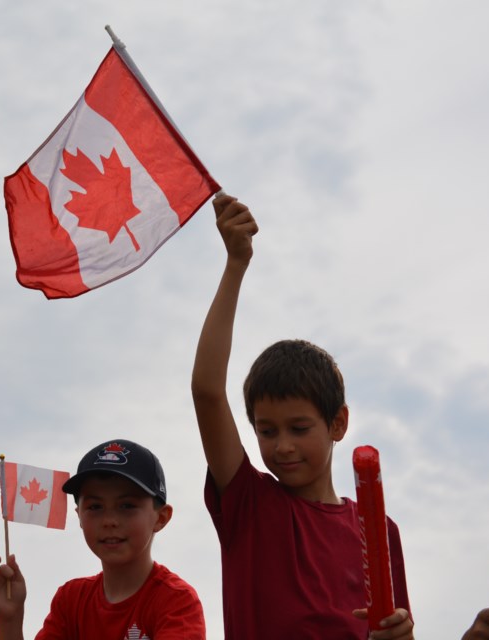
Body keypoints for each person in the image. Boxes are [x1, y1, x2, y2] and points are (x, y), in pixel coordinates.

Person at [190, 193, 414, 639]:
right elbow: (206, 391)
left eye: (299, 428)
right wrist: (236, 264)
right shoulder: (248, 504)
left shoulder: (380, 532)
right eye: (266, 430)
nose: (282, 445)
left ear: (338, 424)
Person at [0, 438, 205, 640]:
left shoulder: (176, 602)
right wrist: (10, 619)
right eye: (95, 507)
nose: (109, 520)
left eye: (127, 505)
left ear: (161, 517)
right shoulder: (70, 599)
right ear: (79, 516)